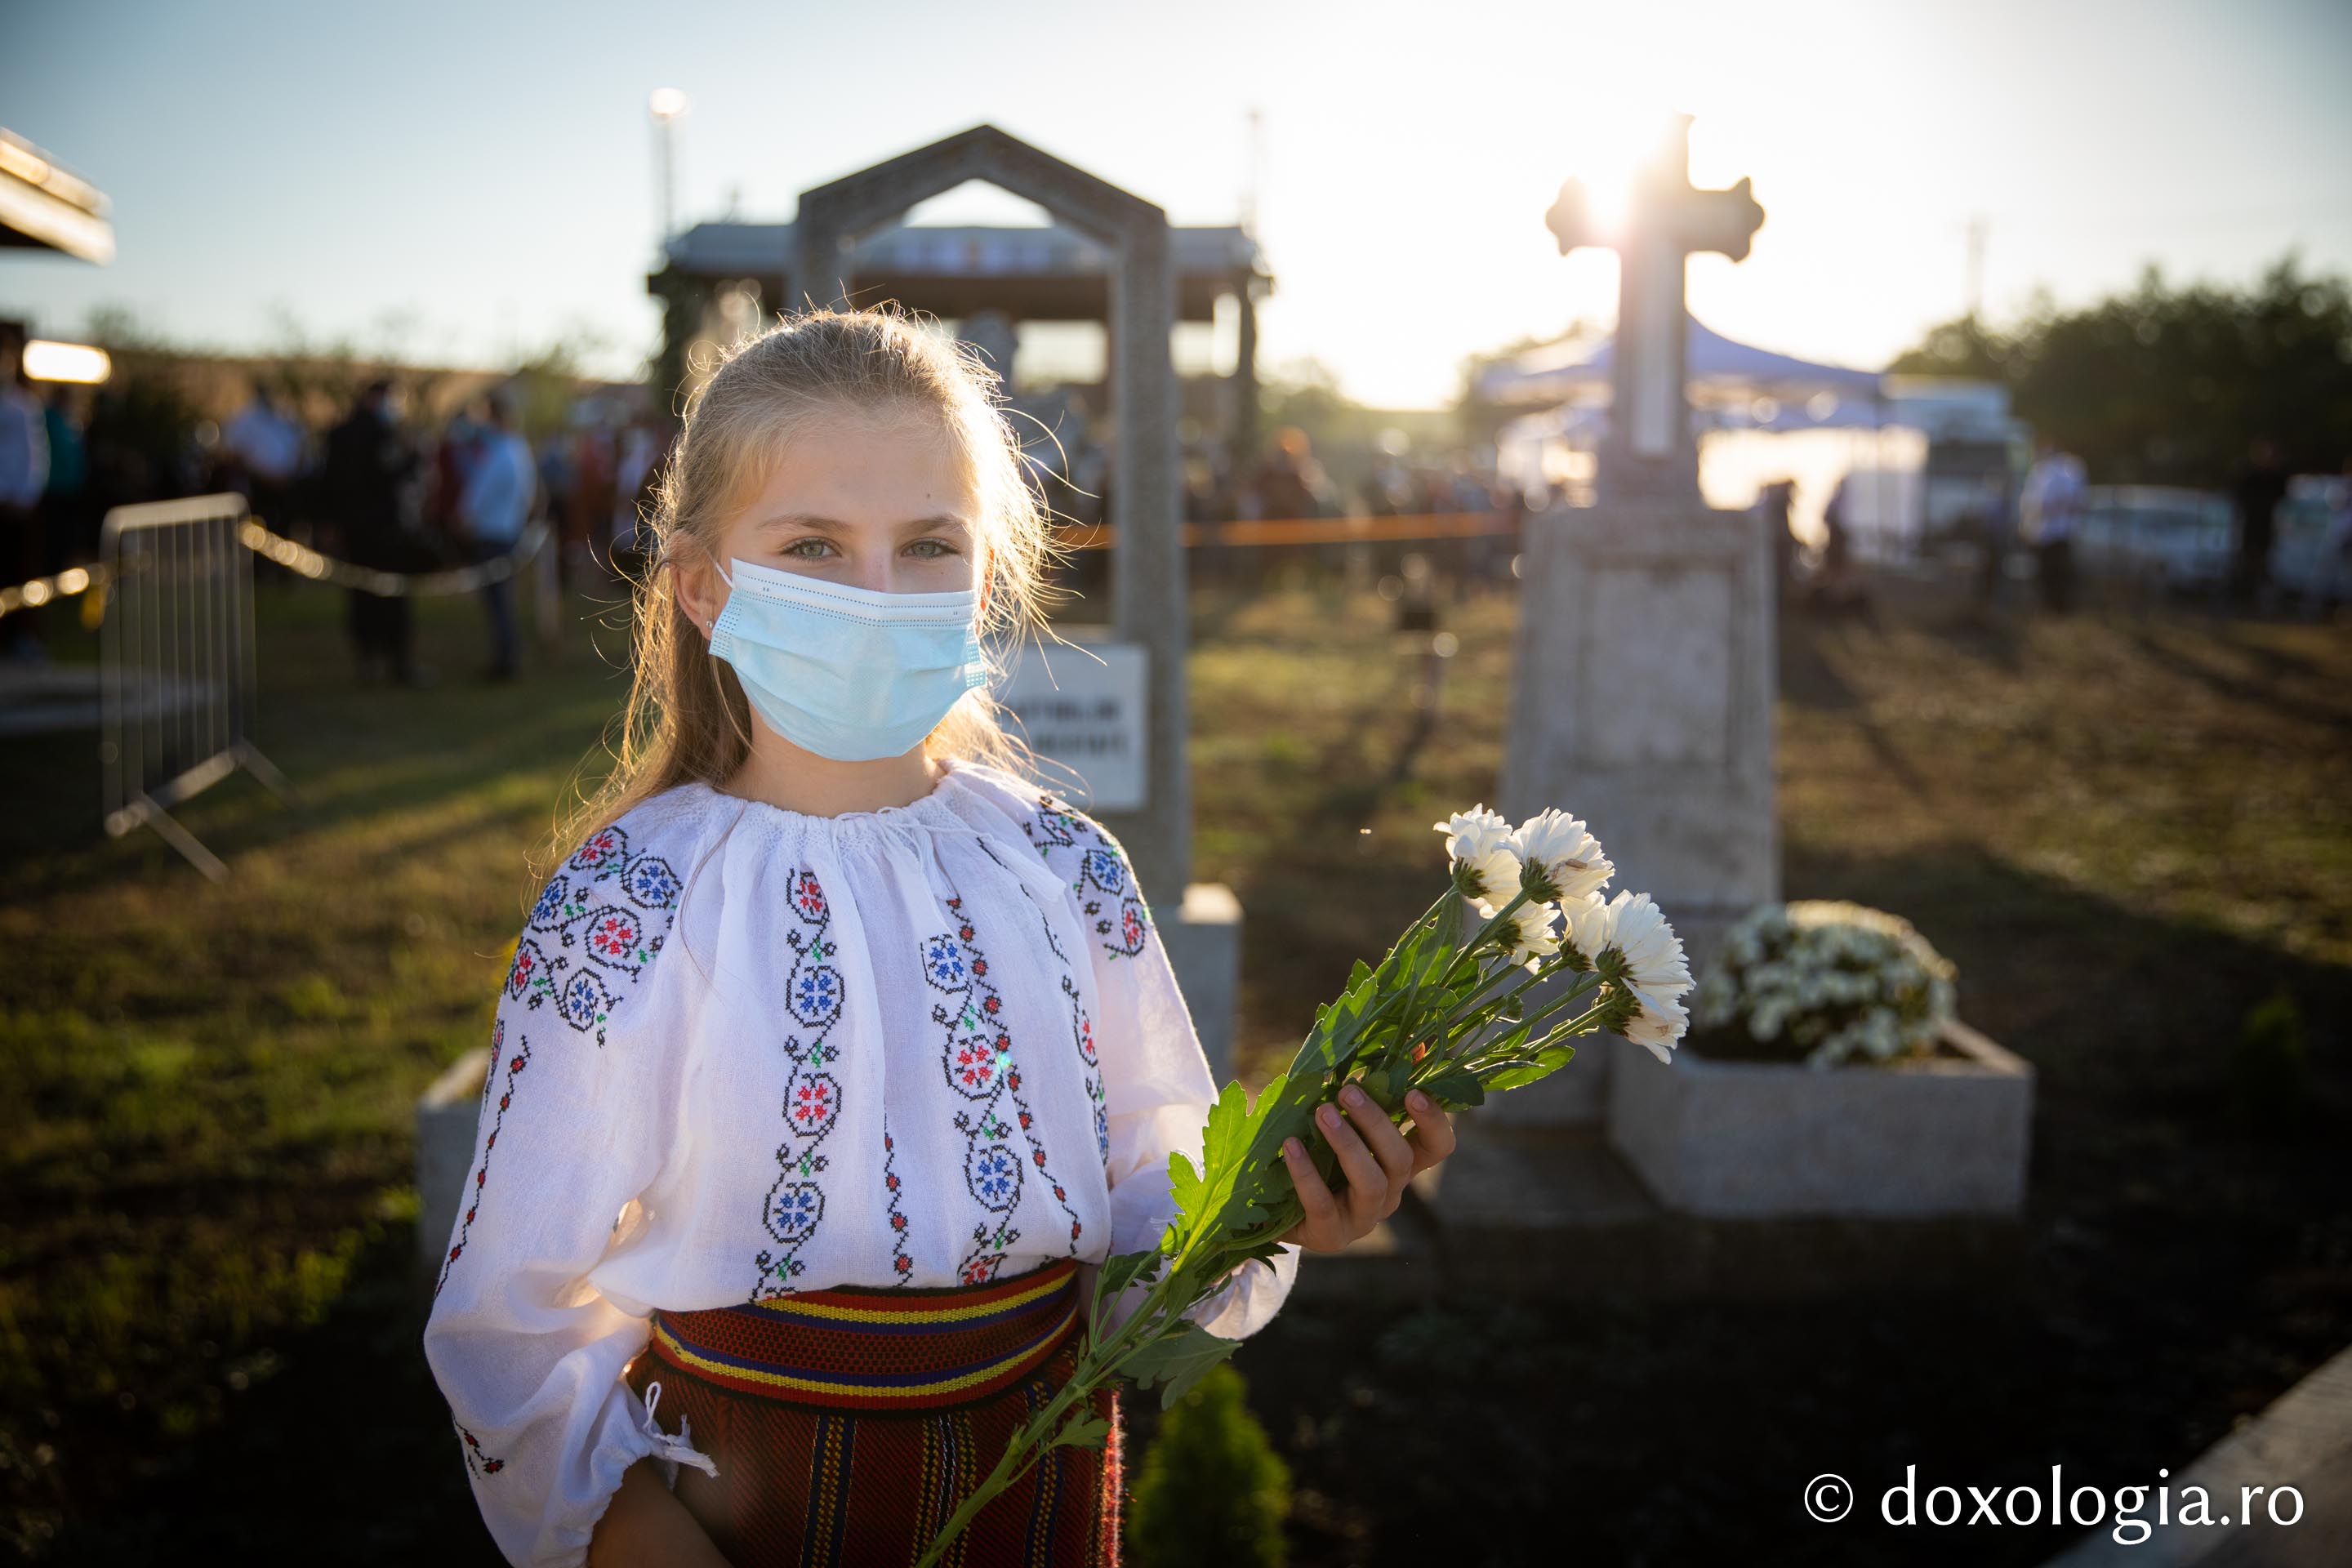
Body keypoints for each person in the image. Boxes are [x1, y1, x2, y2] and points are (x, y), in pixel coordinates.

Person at [420, 308, 1458, 1567]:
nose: (876, 594)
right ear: (704, 587)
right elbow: (511, 1332)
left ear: (987, 575)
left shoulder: (1066, 870)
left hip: (1044, 1500)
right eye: (812, 545)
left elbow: (1148, 1211)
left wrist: (1275, 1214)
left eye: (926, 545)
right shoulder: (632, 902)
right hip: (735, 1516)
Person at [323, 377, 427, 685]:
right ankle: (398, 664)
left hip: (355, 531)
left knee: (361, 595)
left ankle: (368, 661)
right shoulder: (383, 435)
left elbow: (328, 484)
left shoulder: (339, 434)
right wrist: (413, 455)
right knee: (391, 594)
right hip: (384, 530)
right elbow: (394, 472)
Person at [455, 390, 535, 681]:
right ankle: (505, 657)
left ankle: (506, 662)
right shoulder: (515, 449)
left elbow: (481, 493)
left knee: (499, 602)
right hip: (504, 531)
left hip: (494, 534)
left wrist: (466, 516)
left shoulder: (504, 452)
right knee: (499, 601)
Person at [0, 321, 52, 661]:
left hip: (16, 507)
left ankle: (21, 637)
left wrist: (24, 496)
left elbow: (36, 457)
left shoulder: (22, 406)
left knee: (18, 573)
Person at [2019, 436, 2085, 614]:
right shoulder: (2040, 470)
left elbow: (2072, 502)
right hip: (2043, 534)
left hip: (2059, 534)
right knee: (2045, 575)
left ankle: (2058, 610)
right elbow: (2030, 503)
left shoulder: (2069, 469)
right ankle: (2049, 610)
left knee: (2059, 575)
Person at [2230, 437, 2289, 612]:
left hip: (2266, 529)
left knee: (2263, 565)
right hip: (2249, 528)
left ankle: (2259, 600)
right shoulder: (2249, 476)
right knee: (2246, 563)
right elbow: (2238, 496)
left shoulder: (2276, 478)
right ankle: (2243, 599)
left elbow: (2282, 497)